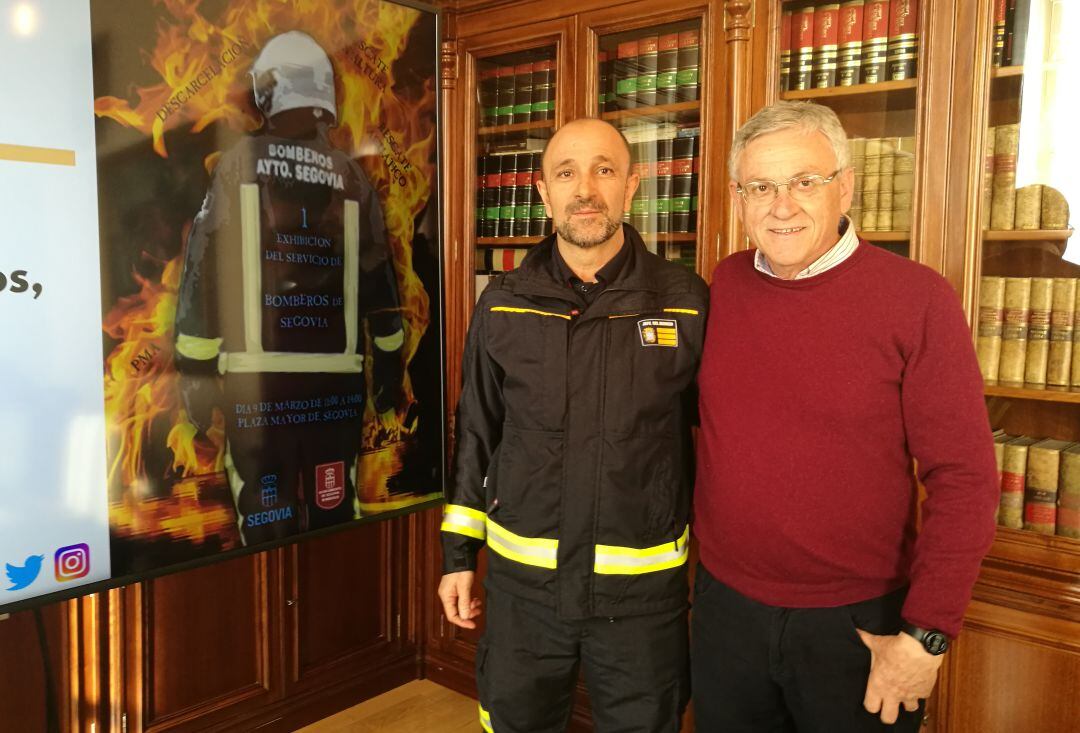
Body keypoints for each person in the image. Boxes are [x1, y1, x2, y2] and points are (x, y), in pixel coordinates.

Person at [691, 100, 999, 732]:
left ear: (846, 185)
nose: (782, 205)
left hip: (860, 625)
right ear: (737, 196)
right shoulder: (723, 286)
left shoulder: (917, 299)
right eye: (762, 186)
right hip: (725, 612)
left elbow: (965, 477)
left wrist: (928, 636)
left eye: (806, 181)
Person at [438, 118, 708, 733]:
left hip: (644, 601)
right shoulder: (503, 300)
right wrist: (459, 558)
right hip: (523, 593)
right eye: (566, 173)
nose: (585, 188)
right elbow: (476, 432)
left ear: (632, 185)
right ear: (543, 192)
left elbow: (721, 445)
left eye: (604, 169)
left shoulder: (685, 301)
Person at [173, 31, 406, 545]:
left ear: (266, 94)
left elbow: (204, 262)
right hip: (336, 386)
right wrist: (389, 369)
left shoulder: (240, 162)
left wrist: (195, 370)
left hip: (259, 387)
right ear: (325, 100)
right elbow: (380, 285)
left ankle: (272, 602)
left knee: (264, 510)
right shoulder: (353, 179)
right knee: (333, 505)